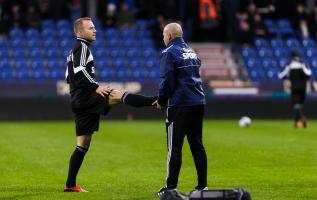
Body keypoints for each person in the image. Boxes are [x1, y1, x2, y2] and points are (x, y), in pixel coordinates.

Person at [64, 17, 156, 192]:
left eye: (94, 27)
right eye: (90, 28)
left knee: (83, 143)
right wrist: (95, 86)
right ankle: (156, 101)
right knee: (117, 94)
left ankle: (70, 184)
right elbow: (79, 70)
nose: (95, 30)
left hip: (78, 99)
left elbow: (68, 77)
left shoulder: (73, 50)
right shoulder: (82, 47)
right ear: (79, 32)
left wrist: (83, 89)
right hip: (86, 97)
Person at [153, 23, 208, 195]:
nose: (163, 38)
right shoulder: (191, 51)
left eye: (163, 35)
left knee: (174, 147)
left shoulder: (169, 52)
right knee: (197, 145)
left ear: (169, 36)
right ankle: (202, 186)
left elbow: (167, 80)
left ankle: (171, 188)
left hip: (180, 104)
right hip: (198, 102)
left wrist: (161, 100)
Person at [278, 50, 311, 128]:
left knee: (296, 105)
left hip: (294, 87)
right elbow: (308, 74)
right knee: (300, 105)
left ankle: (302, 118)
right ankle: (297, 123)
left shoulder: (289, 64)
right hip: (303, 87)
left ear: (291, 56)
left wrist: (288, 77)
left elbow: (280, 75)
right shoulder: (303, 63)